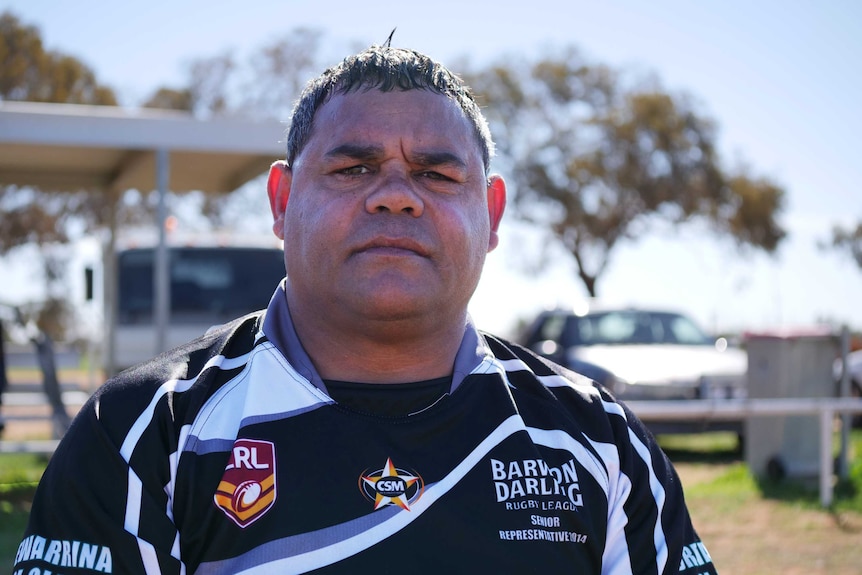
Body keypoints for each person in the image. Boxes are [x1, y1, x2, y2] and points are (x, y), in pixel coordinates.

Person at [14, 44, 718, 575]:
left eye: (437, 173)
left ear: (492, 212)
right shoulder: (146, 433)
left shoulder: (597, 440)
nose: (395, 195)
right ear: (282, 203)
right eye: (353, 168)